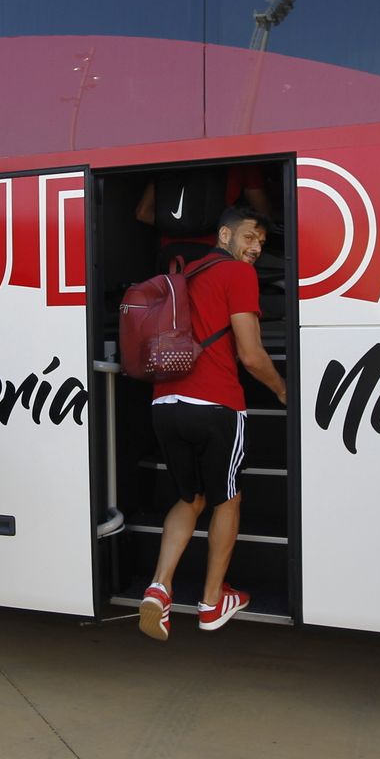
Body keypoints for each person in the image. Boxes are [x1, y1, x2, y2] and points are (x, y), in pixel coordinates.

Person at [139, 205, 287, 641]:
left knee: (190, 497)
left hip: (165, 404)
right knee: (228, 499)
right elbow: (251, 355)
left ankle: (159, 588)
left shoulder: (184, 275)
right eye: (249, 237)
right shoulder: (238, 274)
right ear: (224, 234)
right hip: (215, 405)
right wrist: (283, 390)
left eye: (262, 242)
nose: (256, 247)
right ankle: (211, 601)